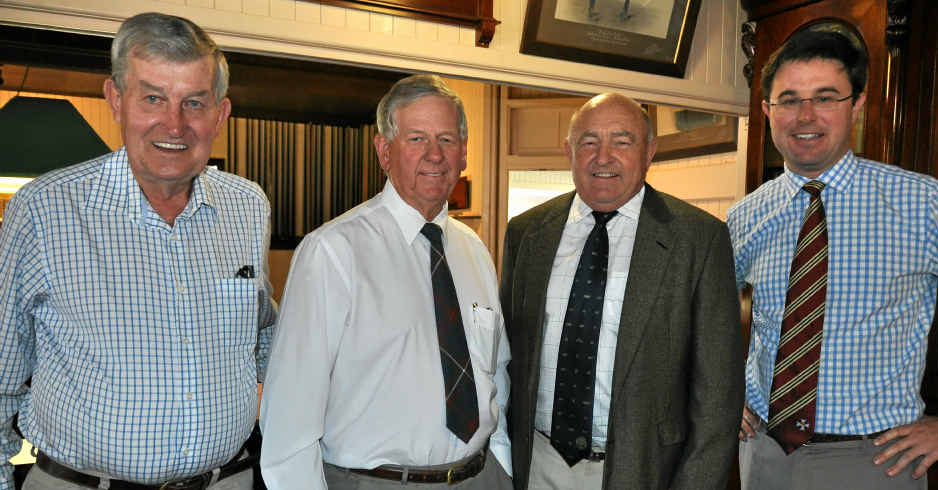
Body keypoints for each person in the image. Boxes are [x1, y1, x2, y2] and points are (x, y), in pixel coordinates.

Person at [729, 29, 938, 490]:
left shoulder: (922, 203)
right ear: (766, 110)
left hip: (875, 460)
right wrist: (720, 396)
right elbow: (697, 316)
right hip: (764, 455)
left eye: (825, 97)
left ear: (857, 105)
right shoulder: (746, 215)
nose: (805, 116)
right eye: (788, 99)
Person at [0, 11, 276, 490]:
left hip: (227, 480)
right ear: (116, 99)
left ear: (220, 114)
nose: (174, 124)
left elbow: (263, 332)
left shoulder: (248, 206)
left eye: (194, 102)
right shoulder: (43, 211)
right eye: (153, 98)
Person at [258, 74, 513, 490]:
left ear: (464, 152)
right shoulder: (332, 252)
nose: (434, 155)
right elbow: (290, 412)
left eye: (447, 140)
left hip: (481, 477)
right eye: (416, 139)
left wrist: (499, 463)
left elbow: (494, 373)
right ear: (384, 150)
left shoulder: (475, 252)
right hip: (377, 481)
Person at [501, 92, 745, 489]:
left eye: (622, 141)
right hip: (538, 464)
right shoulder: (527, 233)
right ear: (569, 150)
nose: (603, 157)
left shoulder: (699, 240)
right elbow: (508, 359)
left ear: (649, 151)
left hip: (645, 471)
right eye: (589, 141)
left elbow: (718, 397)